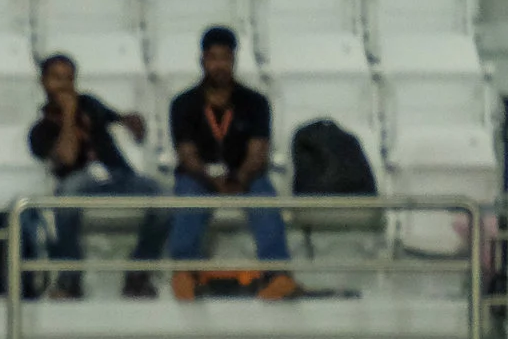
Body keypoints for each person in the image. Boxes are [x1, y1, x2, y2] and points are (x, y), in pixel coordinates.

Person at [166, 26, 301, 302]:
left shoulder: (255, 102)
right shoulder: (183, 104)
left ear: (234, 60)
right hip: (200, 177)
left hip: (244, 175)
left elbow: (258, 152)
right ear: (202, 60)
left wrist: (240, 178)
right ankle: (185, 273)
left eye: (226, 58)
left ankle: (277, 275)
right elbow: (187, 155)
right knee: (189, 192)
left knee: (263, 194)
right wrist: (212, 181)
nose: (220, 65)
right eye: (213, 58)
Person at [22, 53, 171, 301]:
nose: (64, 85)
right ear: (43, 82)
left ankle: (139, 273)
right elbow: (67, 157)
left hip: (119, 175)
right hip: (78, 181)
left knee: (164, 196)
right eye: (57, 78)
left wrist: (131, 122)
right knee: (66, 196)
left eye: (69, 78)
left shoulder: (90, 103)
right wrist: (69, 114)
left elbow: (121, 120)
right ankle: (70, 277)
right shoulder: (41, 130)